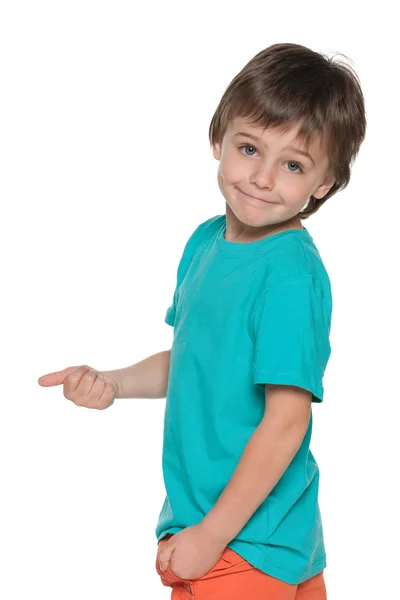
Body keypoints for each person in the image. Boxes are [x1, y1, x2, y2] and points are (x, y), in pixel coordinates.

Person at [38, 42, 366, 599]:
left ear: (323, 185)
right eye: (248, 148)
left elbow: (285, 421)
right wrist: (113, 382)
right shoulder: (205, 241)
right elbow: (195, 361)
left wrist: (212, 536)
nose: (262, 178)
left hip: (245, 541)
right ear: (217, 139)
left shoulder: (289, 274)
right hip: (240, 533)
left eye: (292, 164)